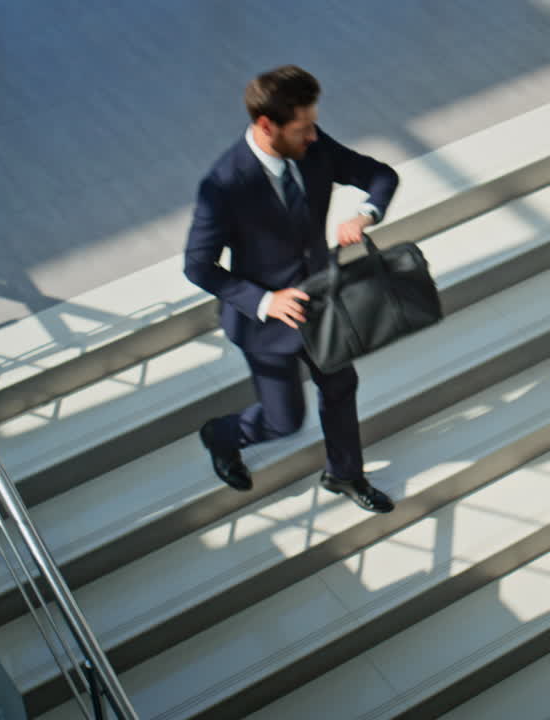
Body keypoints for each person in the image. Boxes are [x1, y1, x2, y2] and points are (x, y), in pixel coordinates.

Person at [183, 65, 398, 513]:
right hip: (265, 323)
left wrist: (364, 215)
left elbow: (380, 175)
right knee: (284, 421)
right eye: (302, 128)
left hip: (321, 302)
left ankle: (344, 474)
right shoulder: (223, 185)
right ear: (267, 126)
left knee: (340, 386)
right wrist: (265, 301)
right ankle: (221, 435)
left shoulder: (313, 147)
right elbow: (198, 266)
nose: (313, 136)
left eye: (313, 124)